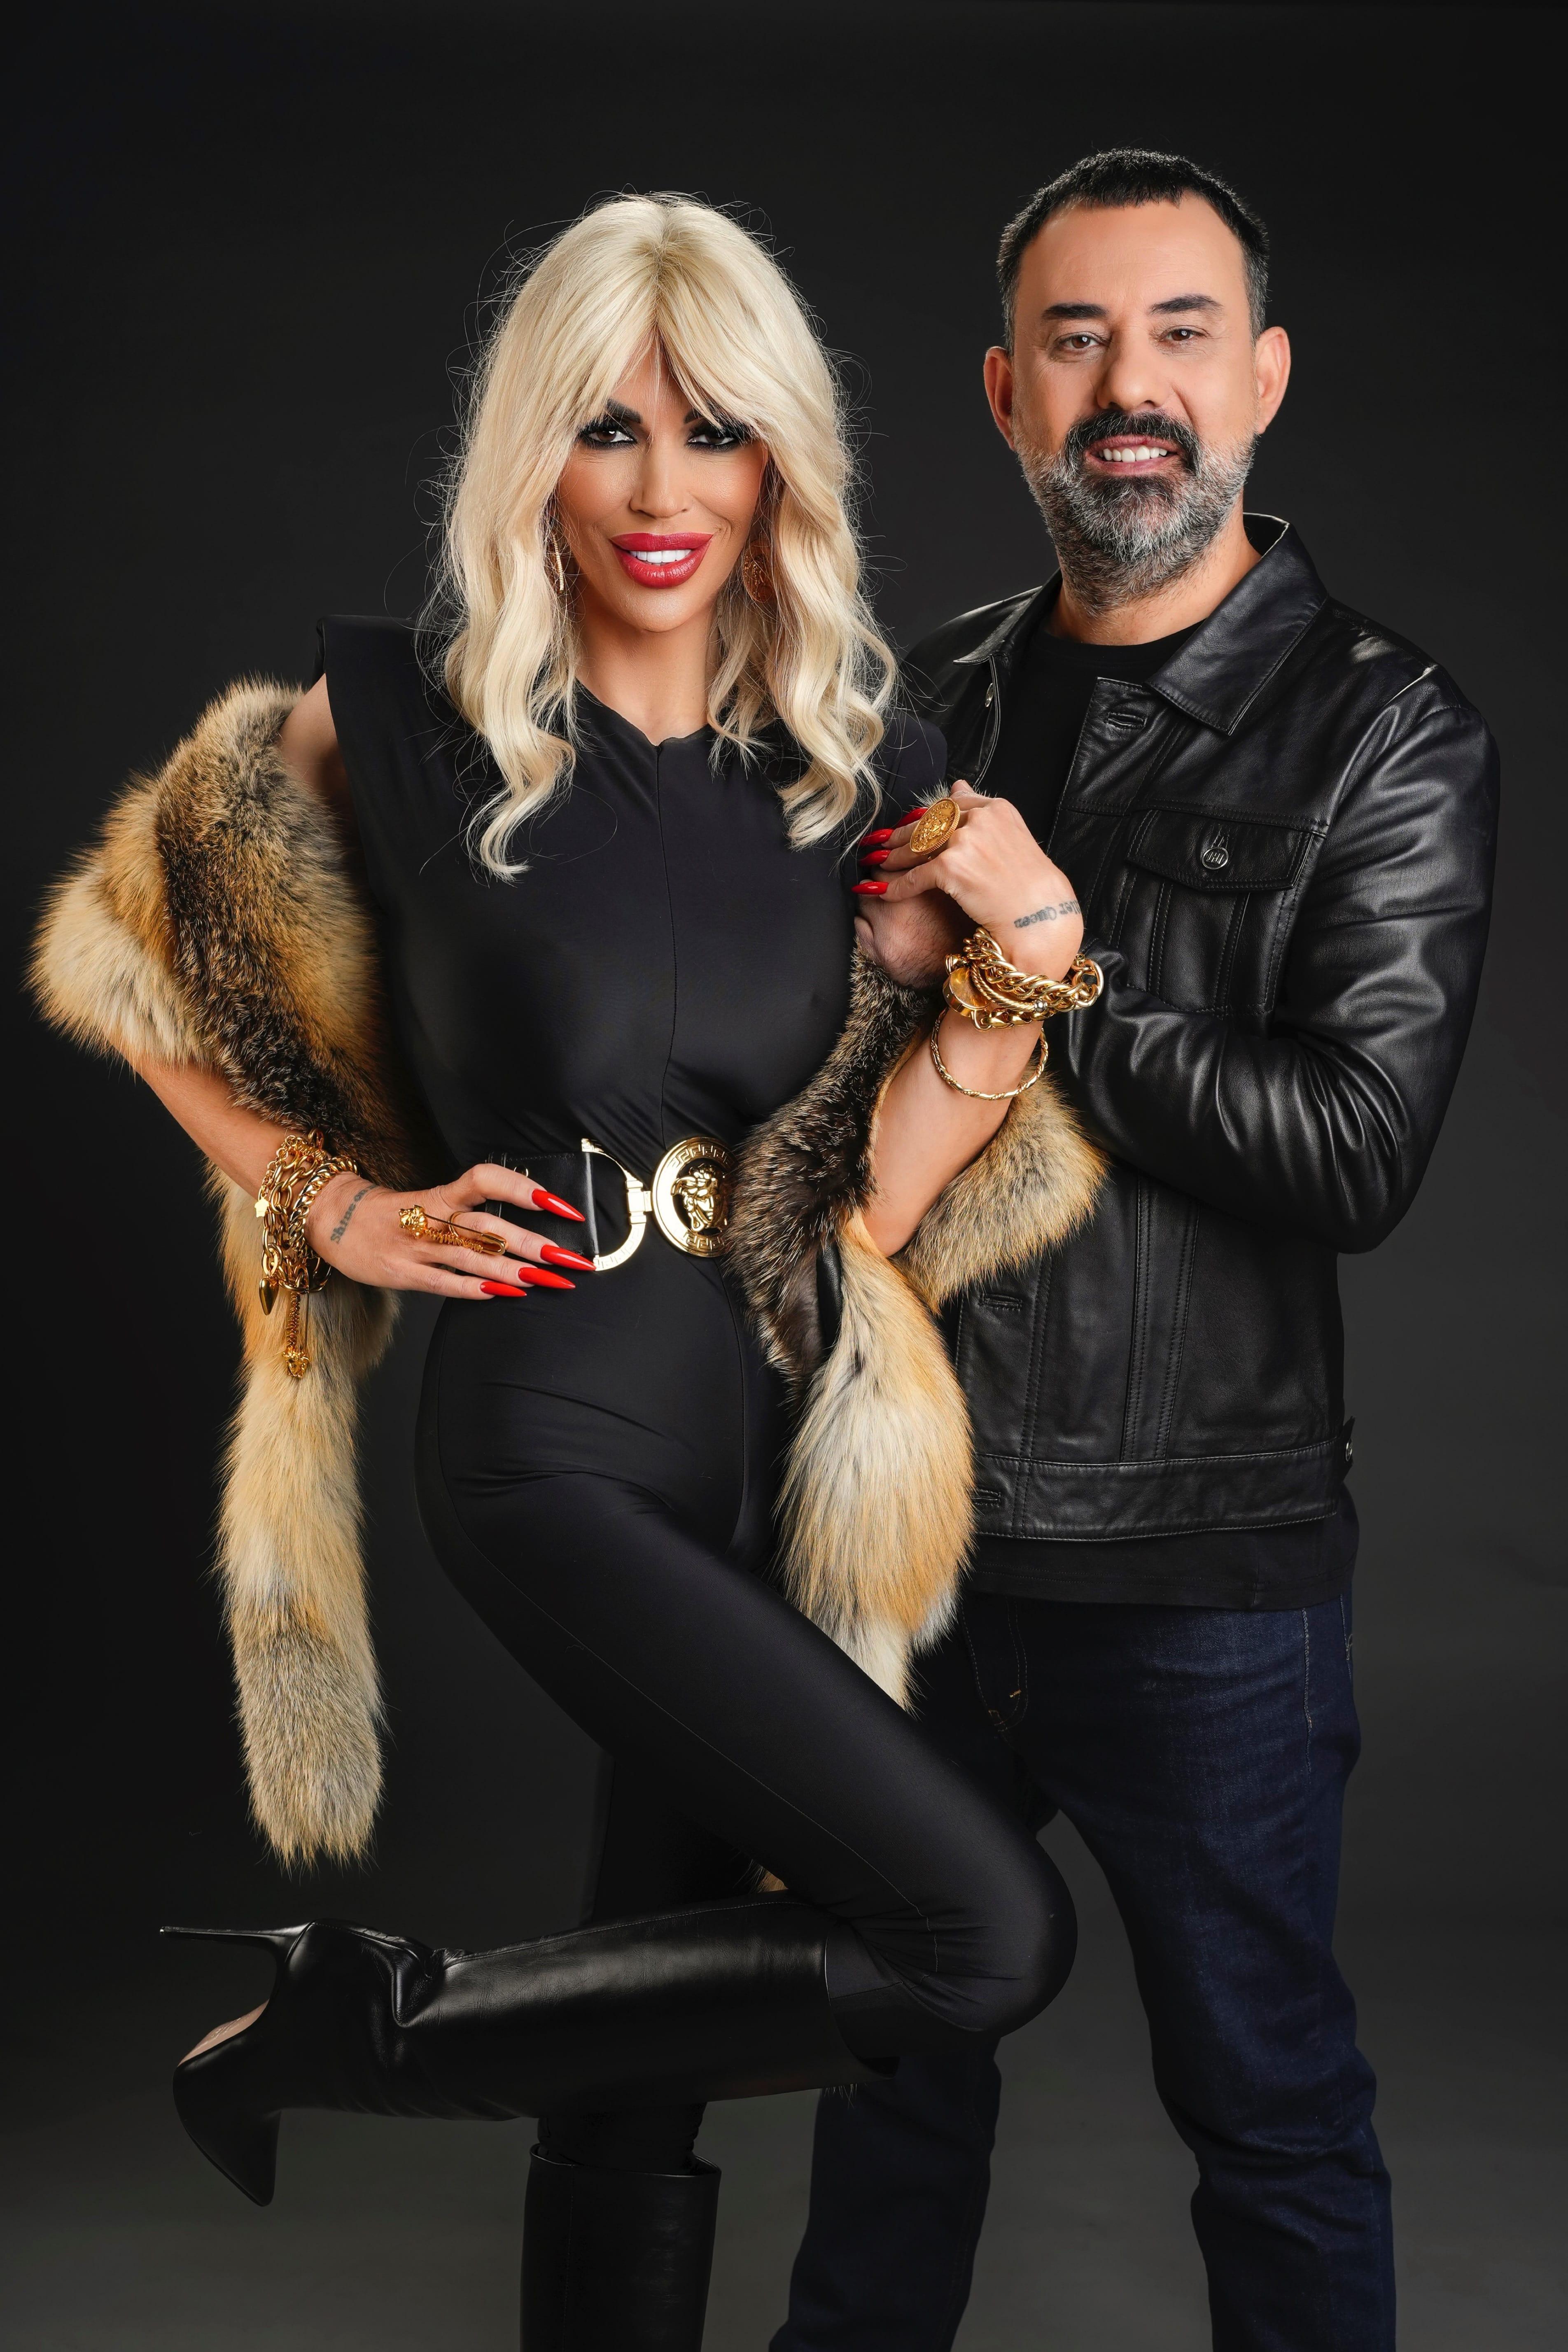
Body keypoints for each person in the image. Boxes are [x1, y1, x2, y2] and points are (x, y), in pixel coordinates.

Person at [32, 194, 1115, 2351]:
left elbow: (876, 1199)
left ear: (779, 462)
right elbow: (129, 966)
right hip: (552, 1437)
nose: (659, 486)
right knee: (985, 1933)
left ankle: (417, 2086)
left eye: (713, 430)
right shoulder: (397, 724)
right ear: (532, 451)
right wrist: (331, 1206)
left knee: (640, 2085)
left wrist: (1028, 961)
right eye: (606, 427)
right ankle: (359, 2027)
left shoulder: (853, 772)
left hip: (763, 1441)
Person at [778, 149, 1498, 2352]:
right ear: (1006, 395)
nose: (1130, 392)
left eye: (1180, 335)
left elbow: (1356, 1147)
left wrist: (1049, 971)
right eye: (1077, 341)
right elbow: (823, 1089)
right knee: (883, 2089)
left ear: (1263, 379)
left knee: (1266, 2108)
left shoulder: (1387, 729)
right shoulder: (932, 699)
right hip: (907, 1541)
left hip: (1203, 1580)